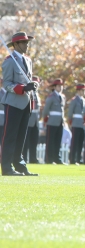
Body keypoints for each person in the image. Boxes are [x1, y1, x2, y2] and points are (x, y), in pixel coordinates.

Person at [1, 32, 39, 176]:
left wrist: (32, 85)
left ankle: (20, 166)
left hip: (26, 103)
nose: (26, 45)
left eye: (27, 42)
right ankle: (6, 167)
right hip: (13, 103)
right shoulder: (10, 61)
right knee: (10, 136)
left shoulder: (28, 60)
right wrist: (23, 88)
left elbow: (27, 80)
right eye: (24, 42)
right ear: (16, 44)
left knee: (21, 137)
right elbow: (7, 84)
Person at [42, 79, 66, 165]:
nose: (61, 87)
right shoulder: (51, 96)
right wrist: (45, 119)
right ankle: (49, 159)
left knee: (58, 140)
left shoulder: (62, 97)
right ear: (55, 87)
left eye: (61, 86)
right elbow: (46, 110)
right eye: (59, 86)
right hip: (52, 121)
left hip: (60, 121)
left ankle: (57, 158)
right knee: (50, 141)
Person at [67, 83, 85, 165]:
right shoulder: (74, 100)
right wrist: (70, 121)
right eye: (82, 90)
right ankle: (72, 159)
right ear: (78, 91)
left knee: (80, 142)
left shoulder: (84, 100)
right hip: (76, 122)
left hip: (82, 123)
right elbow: (70, 112)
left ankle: (78, 158)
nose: (84, 92)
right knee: (74, 142)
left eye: (84, 90)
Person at [24, 76, 42, 164]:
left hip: (35, 121)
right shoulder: (28, 93)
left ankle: (33, 158)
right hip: (28, 119)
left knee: (34, 141)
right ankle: (24, 157)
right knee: (25, 141)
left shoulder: (37, 95)